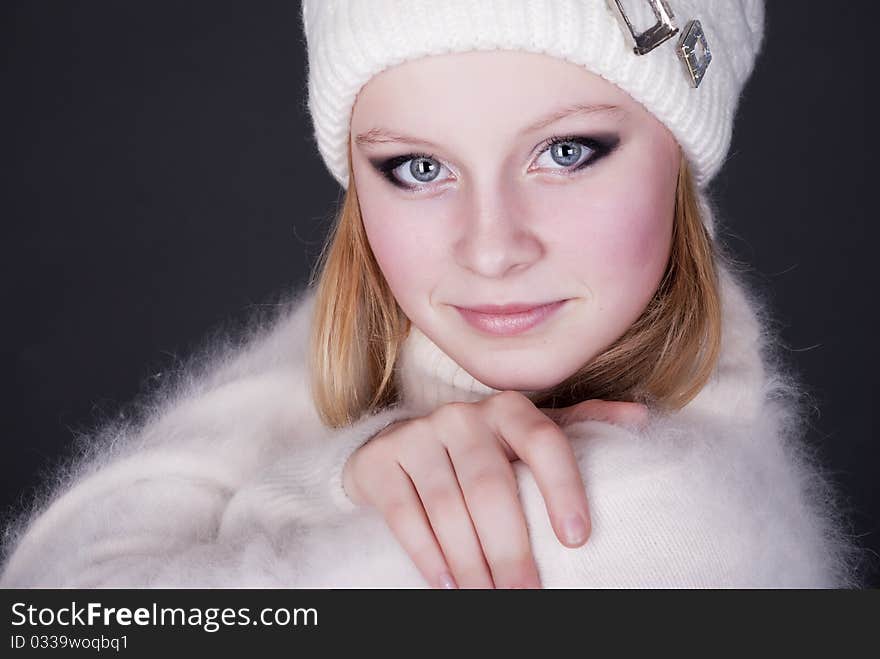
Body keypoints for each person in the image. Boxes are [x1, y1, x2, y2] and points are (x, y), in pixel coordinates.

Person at [0, 0, 866, 588]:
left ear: (680, 154)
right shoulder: (395, 339)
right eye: (418, 168)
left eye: (567, 152)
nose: (490, 250)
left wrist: (298, 490)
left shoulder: (645, 512)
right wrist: (362, 460)